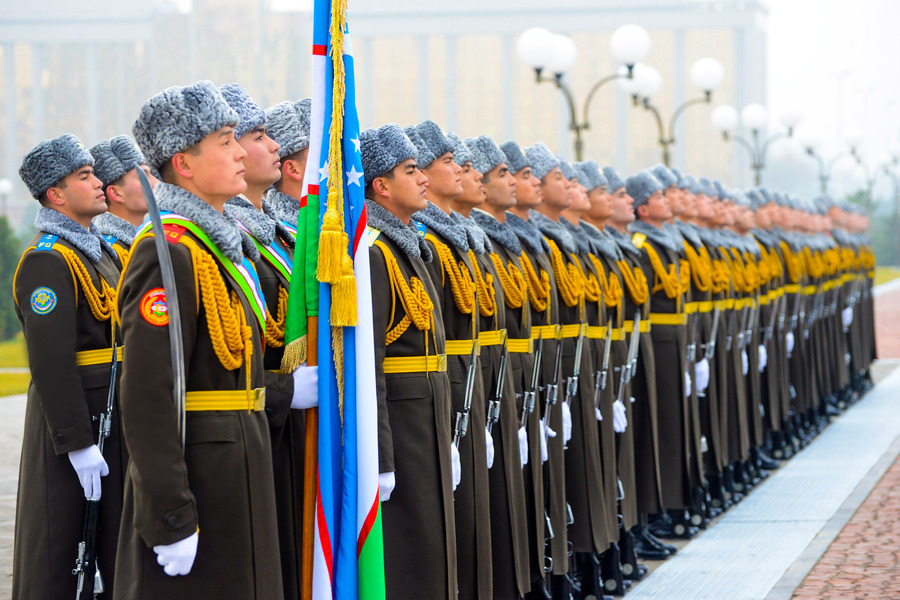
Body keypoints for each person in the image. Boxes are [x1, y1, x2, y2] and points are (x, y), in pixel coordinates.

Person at [115, 80, 308, 598]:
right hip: (203, 475)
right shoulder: (168, 251)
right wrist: (170, 512)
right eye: (225, 142)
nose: (241, 152)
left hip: (240, 464)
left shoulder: (216, 246)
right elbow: (148, 396)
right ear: (183, 163)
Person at [13, 133, 126, 599]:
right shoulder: (48, 262)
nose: (99, 183)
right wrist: (77, 443)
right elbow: (51, 362)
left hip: (111, 420)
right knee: (59, 555)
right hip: (76, 430)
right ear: (56, 195)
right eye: (84, 176)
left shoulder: (99, 252)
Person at [220, 82, 317, 600]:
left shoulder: (274, 233)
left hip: (286, 416)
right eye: (257, 136)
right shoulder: (226, 240)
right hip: (263, 417)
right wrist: (285, 392)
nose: (272, 146)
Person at [361, 123, 458, 600]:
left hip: (427, 418)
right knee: (410, 548)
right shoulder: (375, 252)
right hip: (401, 426)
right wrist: (381, 457)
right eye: (411, 170)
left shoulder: (406, 246)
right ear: (381, 185)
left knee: (433, 542)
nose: (423, 179)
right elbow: (369, 364)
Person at [407, 121, 493, 600]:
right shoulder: (424, 243)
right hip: (441, 389)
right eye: (449, 162)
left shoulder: (459, 238)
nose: (464, 172)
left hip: (470, 379)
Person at [467, 133, 533, 600]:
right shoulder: (445, 242)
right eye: (506, 173)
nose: (513, 181)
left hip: (507, 376)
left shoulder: (491, 240)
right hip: (470, 386)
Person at [90, 135, 157, 264]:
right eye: (143, 176)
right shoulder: (109, 254)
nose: (156, 183)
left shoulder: (144, 240)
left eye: (151, 174)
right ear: (116, 193)